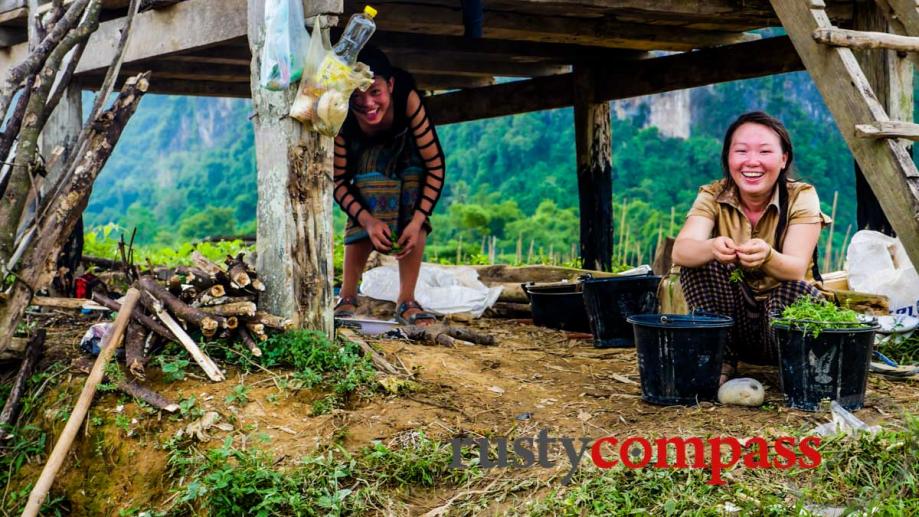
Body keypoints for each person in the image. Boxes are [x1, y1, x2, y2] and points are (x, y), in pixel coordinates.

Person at [671, 111, 832, 383]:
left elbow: (795, 269)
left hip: (782, 325)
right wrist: (712, 247)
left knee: (795, 291)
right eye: (741, 151)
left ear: (783, 160)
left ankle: (793, 366)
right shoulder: (712, 194)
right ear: (728, 158)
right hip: (733, 323)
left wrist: (768, 256)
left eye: (765, 152)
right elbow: (681, 250)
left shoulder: (802, 196)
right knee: (698, 265)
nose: (752, 162)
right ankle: (721, 358)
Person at [331, 45, 445, 326]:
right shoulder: (339, 113)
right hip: (363, 165)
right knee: (370, 182)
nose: (367, 103)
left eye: (375, 92)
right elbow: (337, 180)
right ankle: (347, 296)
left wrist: (417, 222)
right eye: (356, 94)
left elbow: (435, 166)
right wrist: (369, 222)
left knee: (413, 181)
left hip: (408, 161)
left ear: (390, 85)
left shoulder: (407, 98)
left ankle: (407, 300)